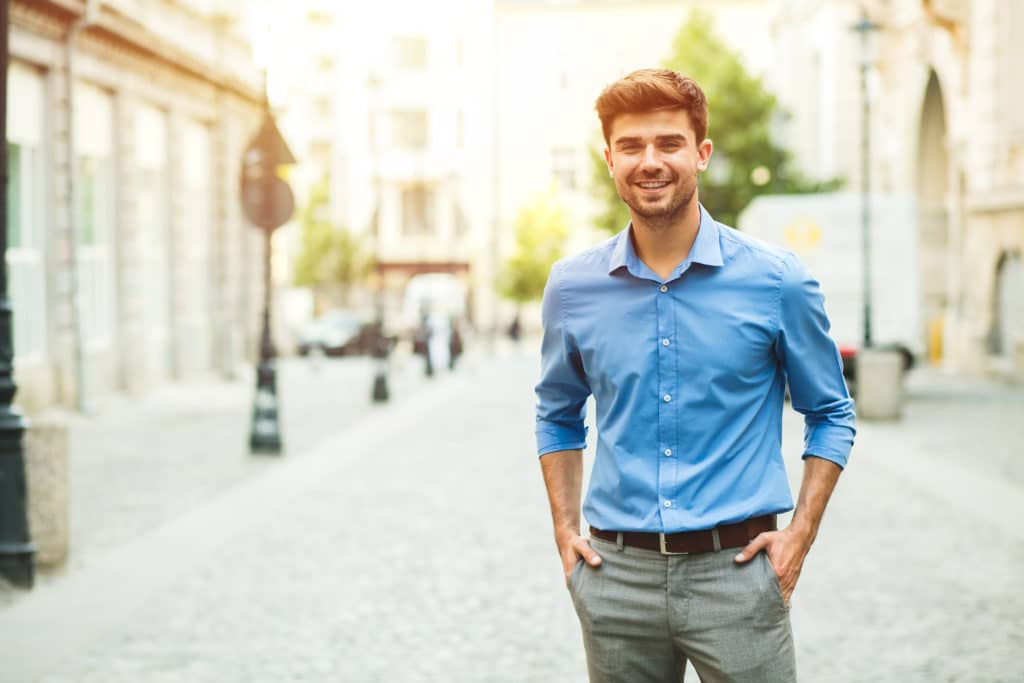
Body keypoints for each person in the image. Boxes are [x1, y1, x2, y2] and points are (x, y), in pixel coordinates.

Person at [534, 68, 856, 682]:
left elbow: (832, 412)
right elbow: (556, 410)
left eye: (669, 143)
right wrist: (564, 530)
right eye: (630, 146)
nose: (649, 161)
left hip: (736, 576)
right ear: (609, 160)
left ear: (701, 154)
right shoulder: (572, 288)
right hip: (615, 580)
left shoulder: (776, 280)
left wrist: (800, 535)